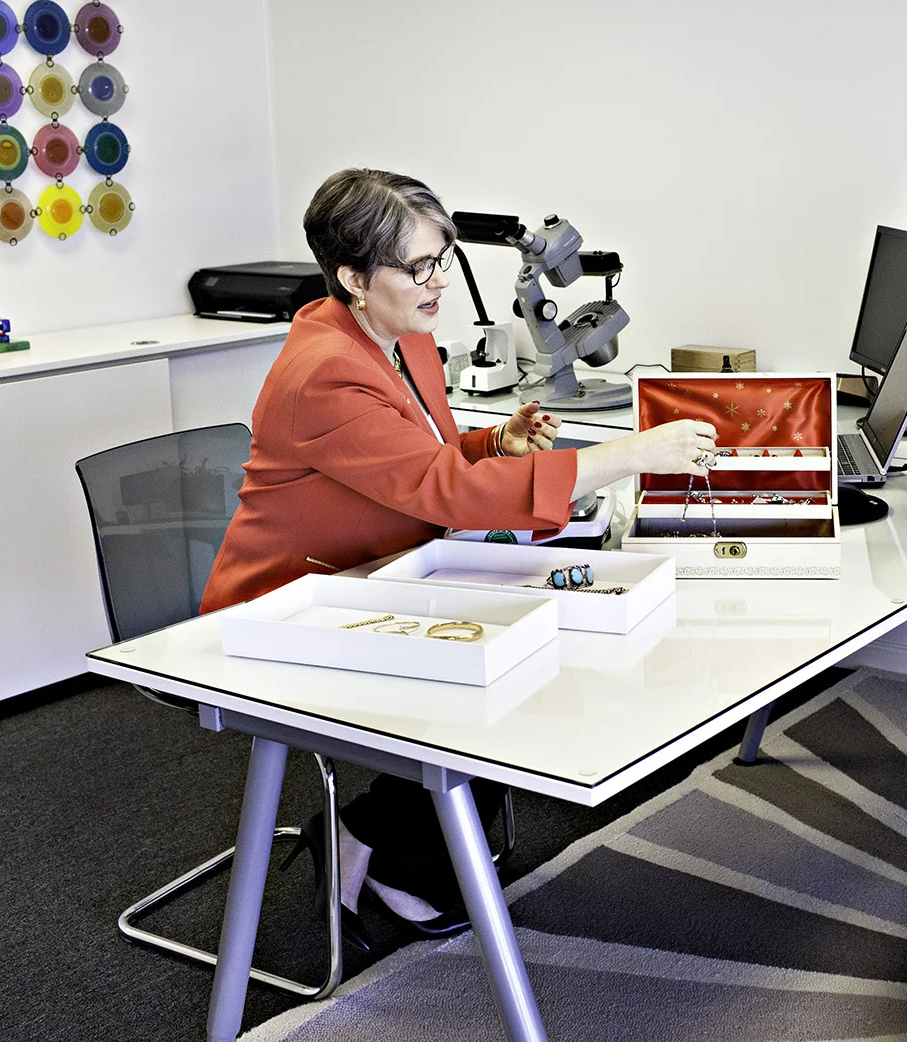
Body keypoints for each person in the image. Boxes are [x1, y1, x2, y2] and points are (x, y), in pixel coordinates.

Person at [199, 168, 717, 947]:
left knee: (527, 648)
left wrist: (493, 442)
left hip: (376, 574)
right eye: (420, 267)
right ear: (351, 278)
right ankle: (381, 842)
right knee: (498, 672)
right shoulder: (323, 371)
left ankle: (386, 845)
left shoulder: (399, 333)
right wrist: (634, 453)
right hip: (286, 604)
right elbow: (441, 488)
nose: (440, 280)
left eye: (443, 259)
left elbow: (423, 456)